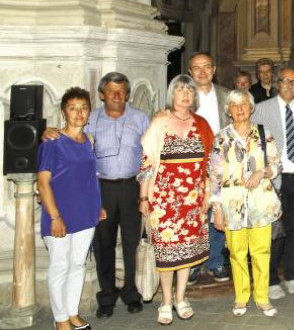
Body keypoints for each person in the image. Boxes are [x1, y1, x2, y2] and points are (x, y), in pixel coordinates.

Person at [139, 75, 215, 325]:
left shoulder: (201, 124)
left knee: (186, 253)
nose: (185, 95)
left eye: (189, 91)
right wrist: (143, 196)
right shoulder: (160, 122)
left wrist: (209, 195)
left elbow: (211, 165)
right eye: (180, 90)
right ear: (172, 94)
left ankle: (181, 298)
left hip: (193, 201)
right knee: (166, 254)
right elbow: (147, 162)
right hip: (164, 201)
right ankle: (165, 301)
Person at [209, 89, 281, 318]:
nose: (239, 109)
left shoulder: (264, 132)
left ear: (251, 107)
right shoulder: (221, 138)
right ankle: (241, 297)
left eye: (244, 104)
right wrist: (216, 209)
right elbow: (214, 177)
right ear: (228, 111)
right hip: (231, 205)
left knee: (261, 252)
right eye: (234, 105)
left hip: (261, 203)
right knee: (236, 253)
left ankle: (262, 298)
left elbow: (277, 164)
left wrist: (262, 172)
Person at [38, 87, 105, 330]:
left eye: (84, 108)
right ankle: (60, 319)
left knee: (78, 264)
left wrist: (98, 206)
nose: (79, 113)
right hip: (59, 214)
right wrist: (55, 217)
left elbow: (89, 177)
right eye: (73, 108)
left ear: (89, 112)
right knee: (60, 266)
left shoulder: (89, 141)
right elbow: (43, 183)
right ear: (63, 112)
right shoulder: (52, 143)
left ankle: (72, 312)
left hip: (85, 213)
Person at [87, 73, 150, 318]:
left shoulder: (140, 118)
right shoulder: (91, 119)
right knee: (104, 243)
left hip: (132, 187)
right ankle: (107, 296)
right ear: (102, 94)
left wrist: (145, 194)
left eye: (121, 91)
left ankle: (132, 293)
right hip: (101, 187)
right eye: (111, 91)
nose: (116, 96)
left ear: (128, 94)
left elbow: (149, 155)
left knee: (133, 243)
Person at [251, 65, 294, 300]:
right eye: (285, 81)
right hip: (276, 179)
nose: (289, 85)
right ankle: (271, 279)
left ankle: (291, 274)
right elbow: (252, 142)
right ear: (277, 83)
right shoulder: (260, 109)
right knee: (275, 232)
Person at [187, 52, 231, 284]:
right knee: (194, 214)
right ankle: (193, 263)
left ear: (213, 69)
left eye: (206, 67)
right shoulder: (183, 96)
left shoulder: (226, 95)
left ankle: (215, 260)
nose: (202, 72)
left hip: (220, 161)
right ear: (190, 72)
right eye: (197, 68)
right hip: (191, 164)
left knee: (217, 211)